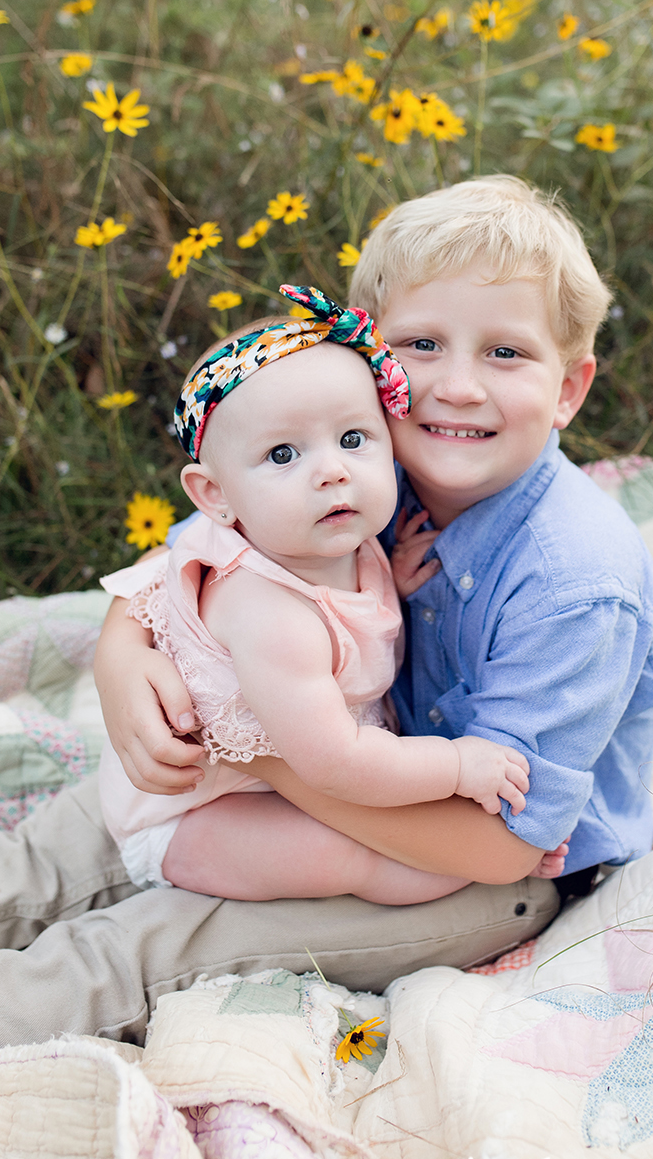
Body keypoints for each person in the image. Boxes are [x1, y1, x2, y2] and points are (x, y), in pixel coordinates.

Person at [0, 175, 653, 1088]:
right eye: (423, 345)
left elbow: (499, 842)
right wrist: (119, 651)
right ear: (373, 358)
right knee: (30, 868)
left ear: (568, 387)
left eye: (505, 352)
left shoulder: (576, 587)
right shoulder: (357, 456)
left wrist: (267, 758)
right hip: (295, 764)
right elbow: (203, 544)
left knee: (131, 947)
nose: (457, 387)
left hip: (471, 870)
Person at [98, 284, 535, 902]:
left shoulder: (337, 536)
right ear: (216, 496)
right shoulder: (269, 612)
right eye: (283, 453)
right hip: (196, 810)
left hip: (289, 775)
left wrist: (393, 584)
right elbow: (339, 762)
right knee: (360, 861)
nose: (332, 470)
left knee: (386, 839)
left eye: (354, 440)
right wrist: (458, 767)